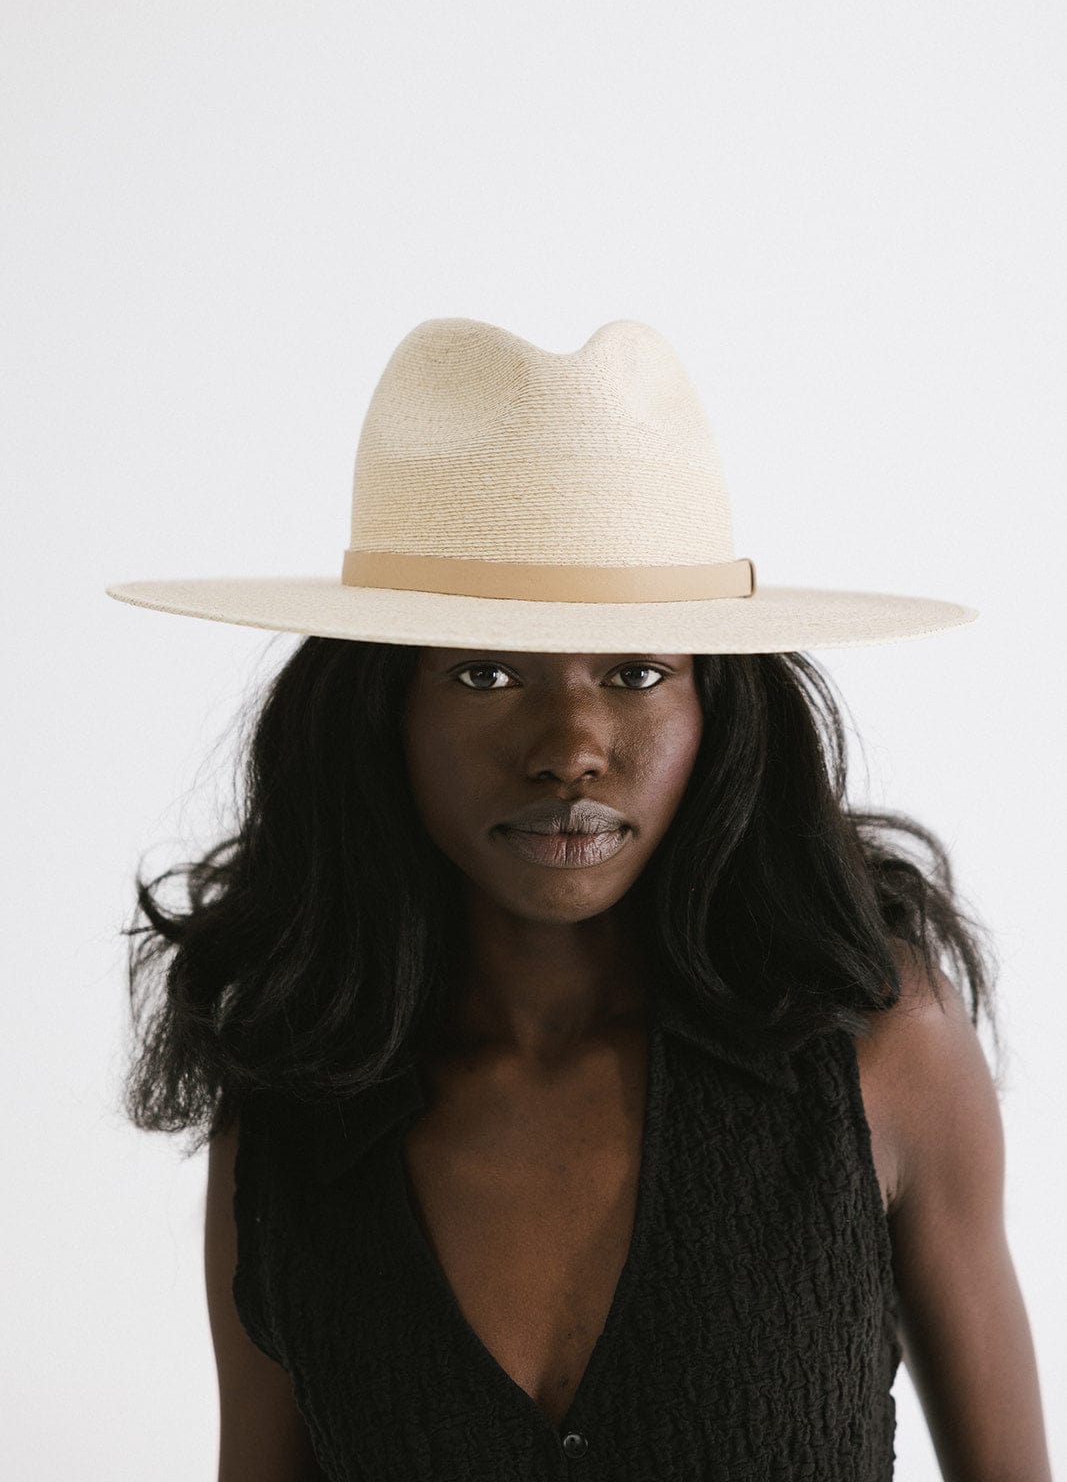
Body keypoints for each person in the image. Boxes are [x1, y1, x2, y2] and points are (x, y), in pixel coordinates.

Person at [106, 317, 1052, 1481]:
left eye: (636, 671)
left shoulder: (875, 1045)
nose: (570, 748)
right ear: (378, 710)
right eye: (484, 672)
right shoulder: (300, 1089)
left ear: (722, 708)